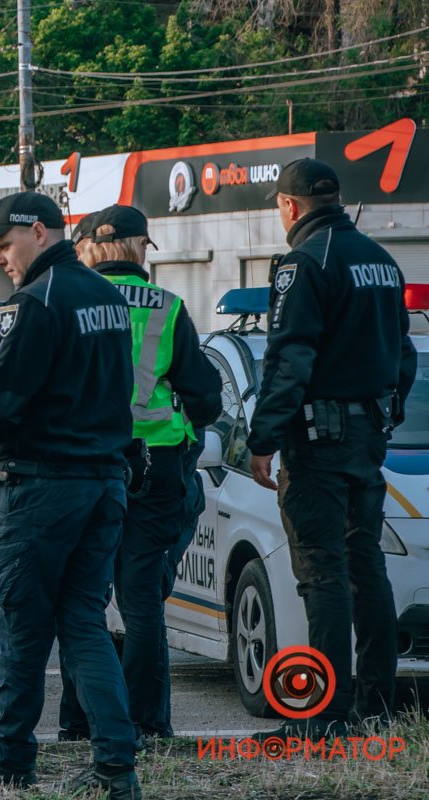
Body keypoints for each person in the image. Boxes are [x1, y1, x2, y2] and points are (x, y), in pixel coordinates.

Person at [0, 192, 141, 798]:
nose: (0, 259)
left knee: (21, 628)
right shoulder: (108, 296)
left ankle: (13, 757)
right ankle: (114, 766)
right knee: (82, 623)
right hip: (102, 482)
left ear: (40, 232)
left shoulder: (32, 303)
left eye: (4, 243)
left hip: (42, 487)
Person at [247, 158, 415, 736]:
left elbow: (289, 358)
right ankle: (378, 706)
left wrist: (263, 437)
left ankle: (324, 715)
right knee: (367, 569)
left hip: (318, 441)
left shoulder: (304, 262)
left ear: (290, 206)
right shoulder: (382, 261)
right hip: (367, 437)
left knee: (322, 575)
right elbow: (406, 355)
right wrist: (382, 416)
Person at [57, 205, 222, 743]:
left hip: (84, 464)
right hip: (157, 465)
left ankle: (79, 720)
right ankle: (148, 722)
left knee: (80, 598)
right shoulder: (168, 307)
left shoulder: (67, 300)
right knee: (143, 599)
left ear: (92, 249)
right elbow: (204, 395)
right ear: (140, 249)